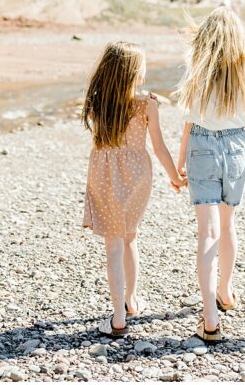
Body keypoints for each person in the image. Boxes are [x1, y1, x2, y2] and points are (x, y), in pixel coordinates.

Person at [175, 5, 245, 343]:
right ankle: (226, 291)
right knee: (228, 225)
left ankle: (210, 316)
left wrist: (179, 161)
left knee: (206, 232)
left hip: (201, 145)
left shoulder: (196, 73)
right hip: (235, 148)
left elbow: (188, 125)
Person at [82, 42, 185, 337]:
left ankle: (117, 316)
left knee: (113, 244)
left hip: (104, 173)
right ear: (132, 72)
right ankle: (130, 301)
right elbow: (159, 146)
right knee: (130, 238)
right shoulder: (147, 103)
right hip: (139, 174)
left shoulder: (98, 101)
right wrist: (174, 176)